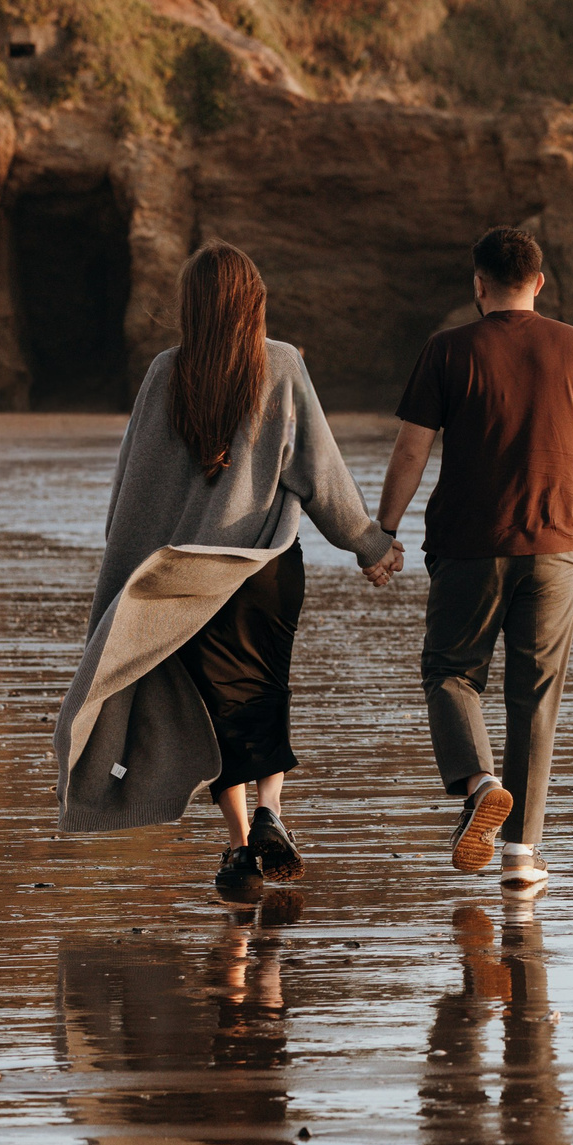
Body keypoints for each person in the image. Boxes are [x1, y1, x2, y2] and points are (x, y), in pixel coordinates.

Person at [53, 242, 403, 900]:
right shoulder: (284, 363)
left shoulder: (165, 372)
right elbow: (319, 472)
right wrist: (368, 542)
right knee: (265, 694)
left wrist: (127, 583)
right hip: (267, 570)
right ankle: (271, 812)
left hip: (190, 580)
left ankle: (242, 845)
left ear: (193, 307)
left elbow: (133, 492)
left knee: (215, 713)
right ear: (254, 302)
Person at [377, 226, 573, 893]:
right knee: (534, 698)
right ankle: (521, 856)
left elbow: (411, 451)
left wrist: (383, 530)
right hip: (557, 545)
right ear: (540, 282)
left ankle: (480, 780)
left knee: (451, 672)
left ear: (477, 283)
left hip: (468, 545)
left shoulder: (447, 349)